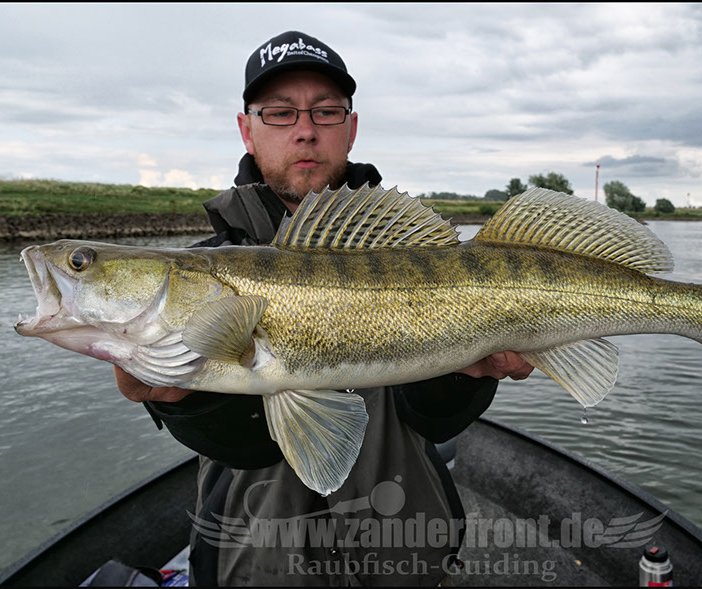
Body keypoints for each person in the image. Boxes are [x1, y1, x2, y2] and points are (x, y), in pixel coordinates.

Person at [115, 30, 534, 586]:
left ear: (351, 128)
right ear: (247, 129)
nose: (306, 130)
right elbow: (246, 444)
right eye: (280, 113)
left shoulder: (408, 252)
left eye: (326, 112)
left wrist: (466, 377)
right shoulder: (205, 272)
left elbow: (433, 418)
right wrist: (186, 404)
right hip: (255, 564)